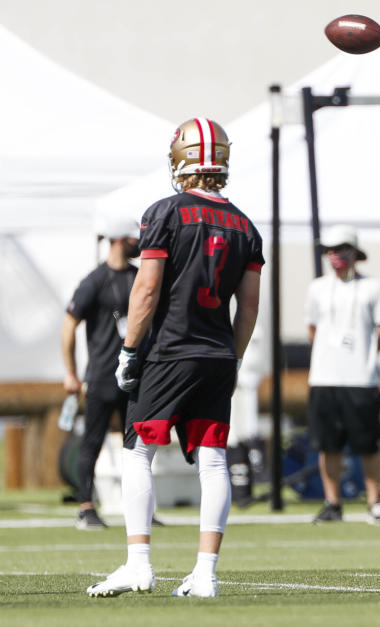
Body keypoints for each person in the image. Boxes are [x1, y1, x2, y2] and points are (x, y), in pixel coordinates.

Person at [87, 117, 264, 599]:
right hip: (217, 353)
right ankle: (205, 573)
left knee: (138, 450)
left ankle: (138, 563)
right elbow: (248, 306)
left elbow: (146, 289)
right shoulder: (246, 226)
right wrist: (234, 358)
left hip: (170, 350)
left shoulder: (164, 213)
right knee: (212, 458)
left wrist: (128, 350)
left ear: (181, 159)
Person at [304, 224, 380, 525]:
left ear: (354, 252)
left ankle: (375, 501)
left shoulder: (374, 287)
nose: (335, 256)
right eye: (330, 250)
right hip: (324, 378)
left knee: (367, 444)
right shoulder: (317, 288)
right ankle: (333, 503)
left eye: (340, 249)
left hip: (361, 379)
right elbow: (312, 329)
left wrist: (364, 354)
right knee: (327, 445)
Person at [61, 218, 140, 529]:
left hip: (134, 374)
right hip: (102, 376)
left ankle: (140, 507)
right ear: (120, 239)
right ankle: (86, 507)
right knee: (92, 442)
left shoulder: (138, 277)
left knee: (136, 444)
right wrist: (70, 373)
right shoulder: (94, 281)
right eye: (134, 238)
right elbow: (68, 326)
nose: (139, 243)